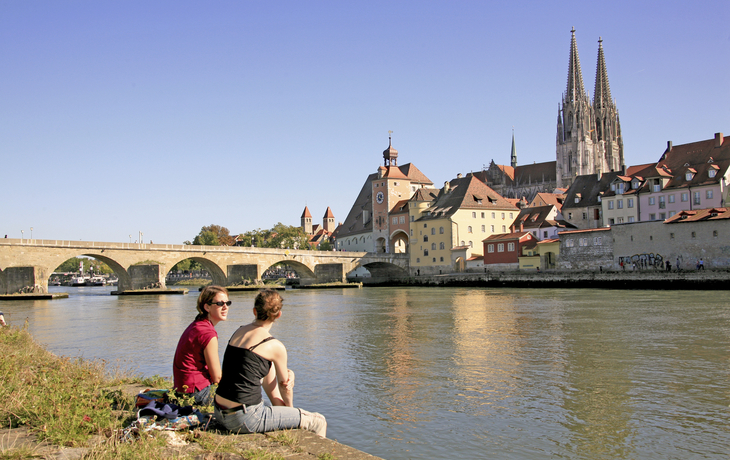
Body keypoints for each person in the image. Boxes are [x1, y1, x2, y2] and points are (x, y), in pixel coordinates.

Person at [214, 289, 326, 437]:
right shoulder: (274, 346)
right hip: (244, 418)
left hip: (220, 411)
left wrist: (289, 374)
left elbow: (255, 367)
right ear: (279, 314)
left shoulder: (239, 332)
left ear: (254, 311)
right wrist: (291, 411)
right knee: (318, 421)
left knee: (269, 368)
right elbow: (285, 387)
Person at [173, 285, 229, 405]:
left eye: (227, 303)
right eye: (220, 303)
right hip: (197, 393)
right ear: (207, 307)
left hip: (183, 389)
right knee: (245, 401)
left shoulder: (197, 325)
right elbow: (217, 378)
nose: (225, 307)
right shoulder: (207, 333)